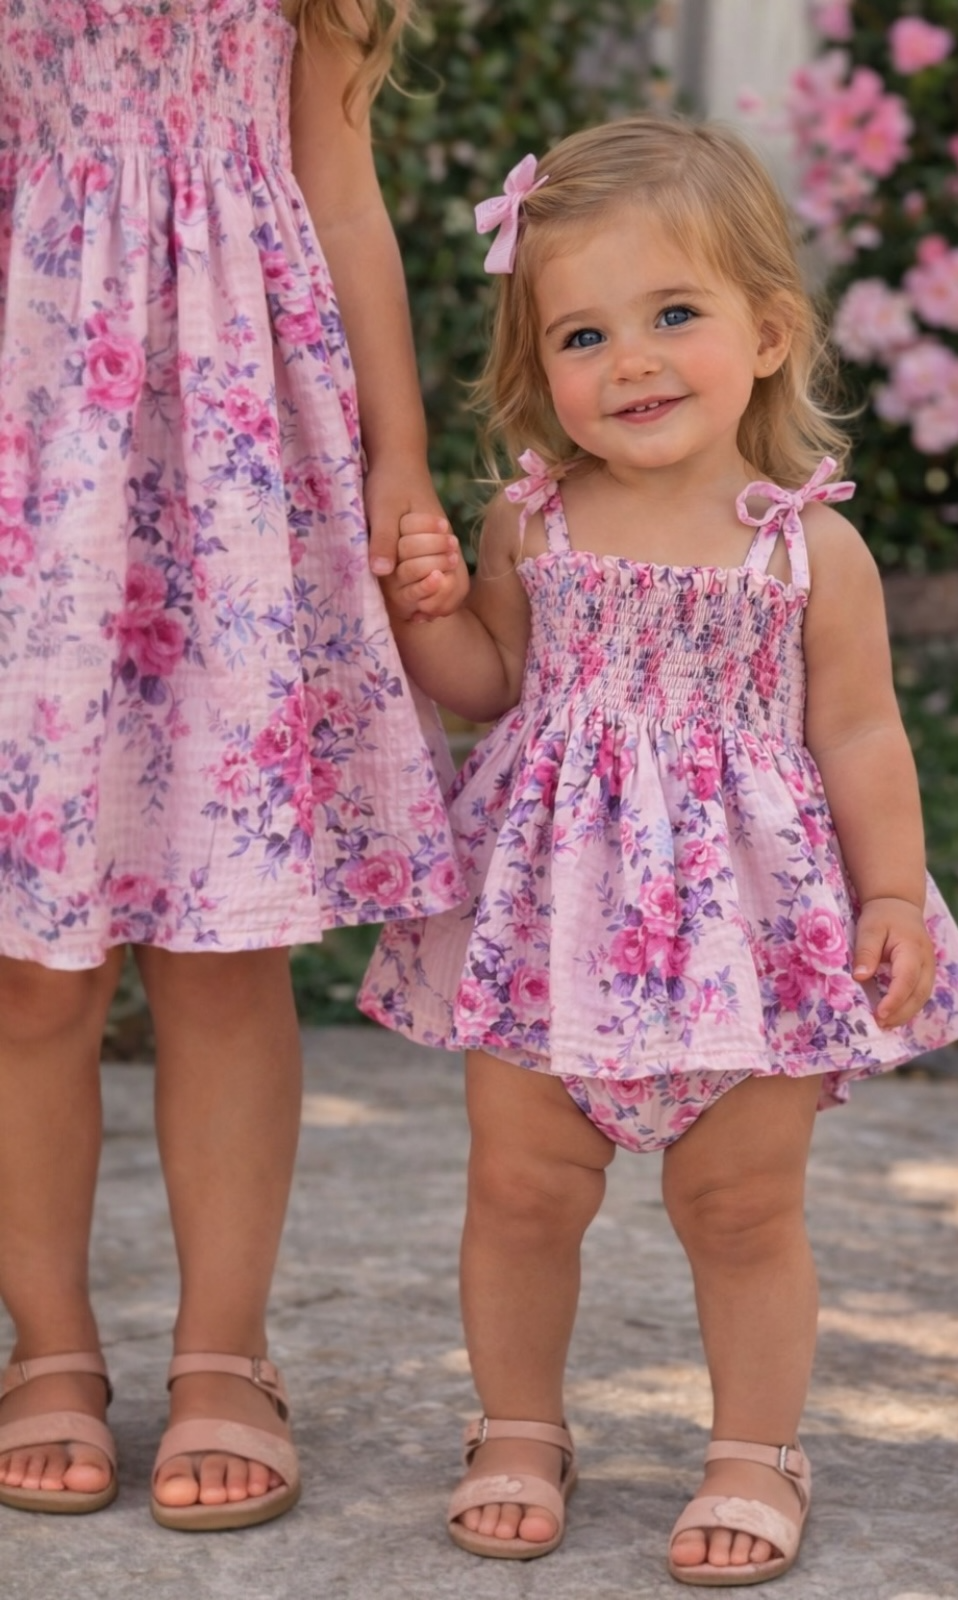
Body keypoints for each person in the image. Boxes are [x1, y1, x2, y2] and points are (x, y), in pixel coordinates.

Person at [361, 116, 958, 1585]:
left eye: (674, 316)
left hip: (750, 935)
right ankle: (519, 1425)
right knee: (521, 1189)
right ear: (540, 369)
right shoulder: (533, 523)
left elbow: (862, 733)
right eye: (584, 334)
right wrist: (426, 614)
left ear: (767, 334)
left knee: (741, 1205)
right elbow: (488, 683)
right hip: (552, 920)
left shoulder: (808, 547)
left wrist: (890, 893)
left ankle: (754, 1450)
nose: (632, 361)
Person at [0, 0, 464, 1530]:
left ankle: (225, 1349)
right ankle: (47, 1342)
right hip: (33, 449)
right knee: (31, 969)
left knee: (222, 943)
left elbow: (342, 190)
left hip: (235, 454)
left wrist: (399, 453)